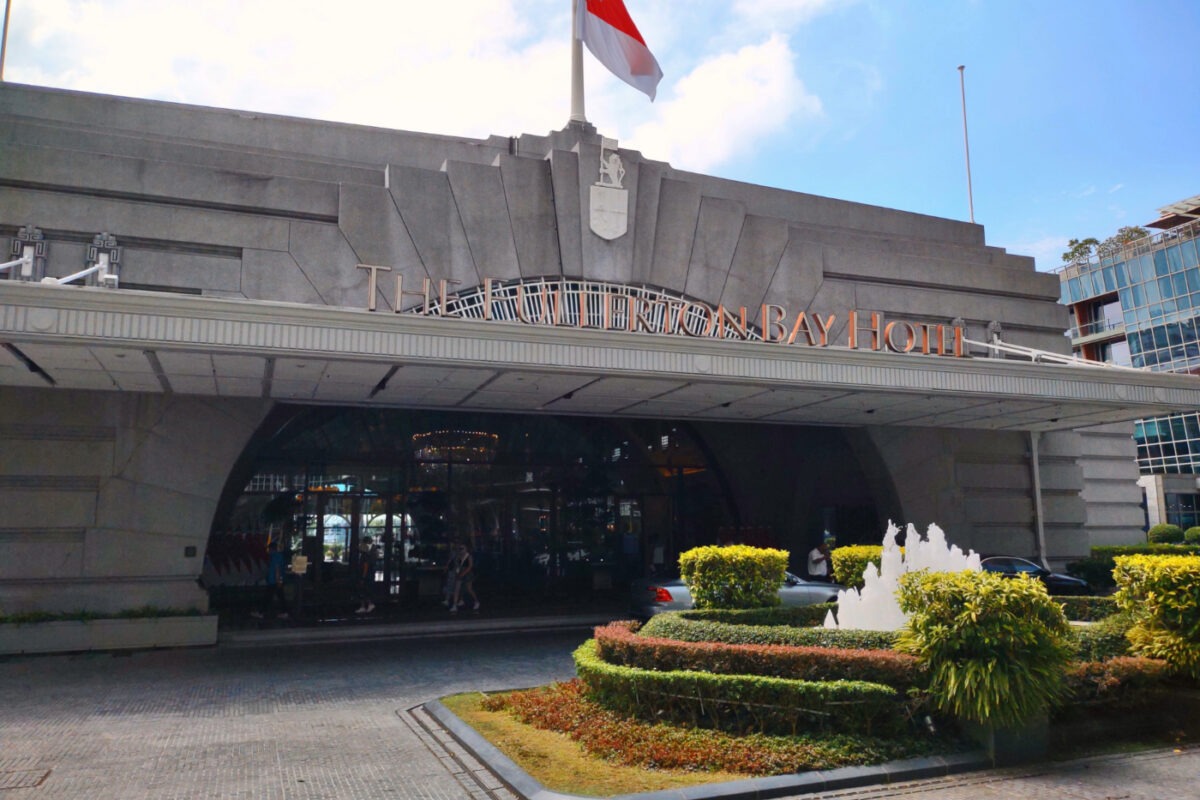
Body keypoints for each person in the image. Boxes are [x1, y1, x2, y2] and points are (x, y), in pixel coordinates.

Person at [251, 539, 289, 619]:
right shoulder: (279, 556)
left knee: (268, 597)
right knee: (280, 597)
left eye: (269, 549)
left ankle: (261, 612)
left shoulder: (275, 557)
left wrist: (277, 580)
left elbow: (277, 569)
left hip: (274, 581)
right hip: (277, 580)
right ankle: (284, 612)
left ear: (271, 549)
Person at [448, 542, 479, 613]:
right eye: (459, 548)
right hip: (460, 573)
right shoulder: (458, 556)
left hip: (468, 574)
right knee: (457, 589)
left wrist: (463, 573)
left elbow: (470, 566)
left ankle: (476, 601)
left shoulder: (468, 556)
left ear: (466, 549)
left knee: (468, 589)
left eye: (462, 548)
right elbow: (456, 565)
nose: (460, 550)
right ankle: (455, 605)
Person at [354, 535, 377, 614]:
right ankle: (365, 605)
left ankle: (367, 604)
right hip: (370, 573)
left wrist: (363, 576)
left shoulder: (367, 552)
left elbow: (366, 565)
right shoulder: (373, 550)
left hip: (366, 574)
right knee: (366, 589)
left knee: (364, 589)